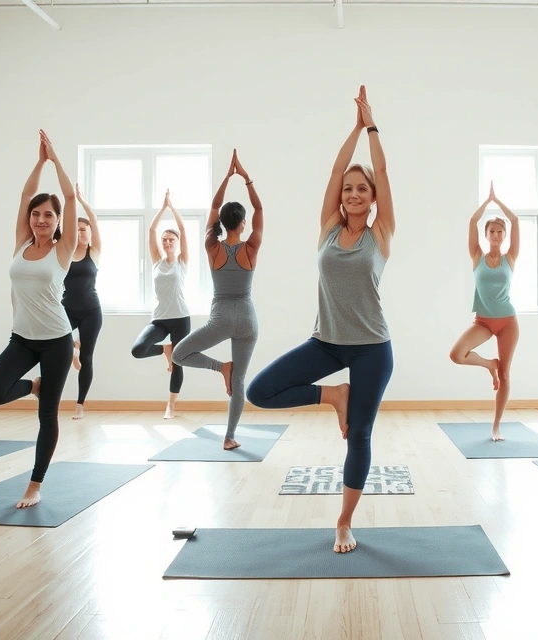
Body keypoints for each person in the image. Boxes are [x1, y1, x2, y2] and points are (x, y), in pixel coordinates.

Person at [248, 86, 394, 553]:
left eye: (361, 189)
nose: (352, 193)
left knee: (361, 434)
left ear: (372, 199)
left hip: (372, 348)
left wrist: (372, 127)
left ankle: (344, 521)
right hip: (327, 342)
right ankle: (334, 394)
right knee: (259, 392)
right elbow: (335, 170)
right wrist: (352, 129)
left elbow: (385, 171)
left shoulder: (381, 234)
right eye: (348, 189)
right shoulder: (328, 231)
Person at [0, 130, 78, 509]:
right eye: (36, 215)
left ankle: (35, 485)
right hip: (21, 338)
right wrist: (38, 164)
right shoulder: (22, 243)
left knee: (47, 415)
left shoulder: (64, 249)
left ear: (57, 222)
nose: (40, 219)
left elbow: (70, 197)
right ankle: (33, 385)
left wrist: (56, 160)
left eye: (47, 215)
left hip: (56, 340)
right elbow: (24, 195)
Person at [172, 150, 263, 450]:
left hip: (222, 318)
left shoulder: (213, 247)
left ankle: (220, 366)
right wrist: (246, 178)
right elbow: (260, 210)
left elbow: (213, 205)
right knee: (240, 382)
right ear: (244, 223)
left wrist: (226, 177)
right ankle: (229, 437)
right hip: (248, 319)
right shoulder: (251, 247)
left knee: (178, 354)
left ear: (222, 223)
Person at [449, 181, 520, 441]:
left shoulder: (509, 258)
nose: (497, 235)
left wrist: (499, 203)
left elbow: (515, 220)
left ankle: (496, 425)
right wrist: (487, 202)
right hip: (483, 321)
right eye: (493, 231)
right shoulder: (477, 256)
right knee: (457, 354)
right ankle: (489, 363)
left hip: (508, 322)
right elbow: (471, 221)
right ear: (487, 234)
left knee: (505, 374)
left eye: (501, 231)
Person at [130, 190, 190, 420]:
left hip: (181, 317)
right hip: (160, 318)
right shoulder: (157, 261)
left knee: (179, 361)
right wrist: (162, 209)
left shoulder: (182, 262)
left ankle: (171, 405)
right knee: (138, 349)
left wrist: (172, 208)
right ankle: (166, 349)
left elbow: (183, 230)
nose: (166, 242)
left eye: (170, 239)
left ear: (176, 243)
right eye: (164, 240)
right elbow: (151, 230)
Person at [63, 182, 103, 420]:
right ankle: (72, 348)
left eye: (84, 230)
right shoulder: (65, 253)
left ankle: (80, 406)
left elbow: (95, 221)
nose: (81, 233)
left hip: (91, 312)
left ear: (89, 235)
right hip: (66, 309)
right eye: (77, 229)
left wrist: (81, 200)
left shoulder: (94, 252)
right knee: (59, 343)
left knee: (87, 358)